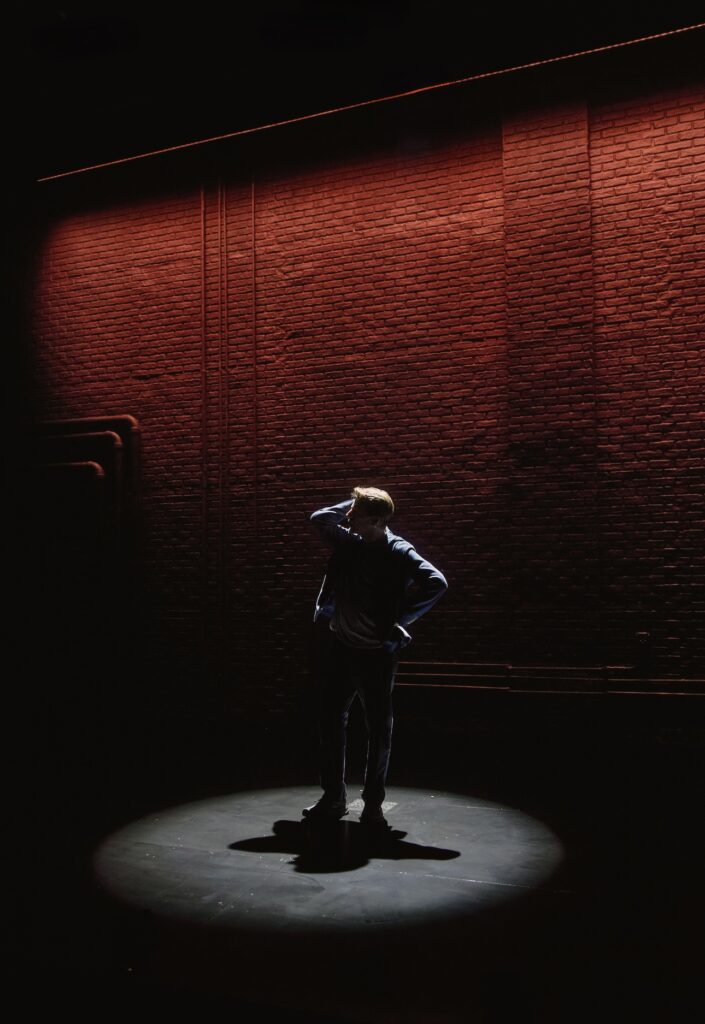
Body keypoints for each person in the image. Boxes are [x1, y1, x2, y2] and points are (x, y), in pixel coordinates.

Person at [303, 486, 448, 830]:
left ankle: (372, 806)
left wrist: (400, 621)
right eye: (350, 510)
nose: (348, 516)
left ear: (379, 519)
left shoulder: (397, 551)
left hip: (375, 656)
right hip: (341, 648)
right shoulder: (349, 542)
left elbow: (436, 582)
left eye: (356, 512)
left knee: (379, 731)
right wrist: (355, 500)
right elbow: (320, 517)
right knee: (330, 723)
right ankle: (333, 798)